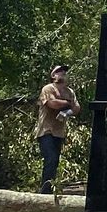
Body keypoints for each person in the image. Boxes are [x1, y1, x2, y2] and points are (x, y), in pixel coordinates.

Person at [34, 64, 80, 194]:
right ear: (53, 75)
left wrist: (67, 112)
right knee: (50, 158)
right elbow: (52, 103)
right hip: (46, 131)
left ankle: (49, 188)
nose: (63, 73)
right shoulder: (48, 89)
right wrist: (68, 103)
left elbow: (77, 108)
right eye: (59, 72)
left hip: (59, 132)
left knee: (55, 161)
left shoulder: (69, 91)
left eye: (64, 72)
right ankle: (45, 191)